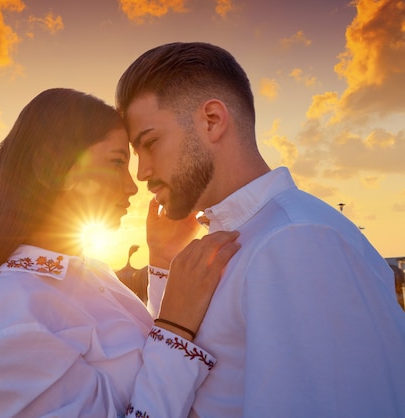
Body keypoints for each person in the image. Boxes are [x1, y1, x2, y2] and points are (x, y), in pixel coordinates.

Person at [115, 41, 405, 417]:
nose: (142, 173)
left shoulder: (295, 242)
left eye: (150, 143)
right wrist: (164, 262)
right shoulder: (251, 239)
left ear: (213, 121)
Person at [0, 88, 241, 418]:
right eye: (116, 162)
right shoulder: (19, 313)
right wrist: (176, 327)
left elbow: (144, 368)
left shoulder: (90, 274)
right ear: (54, 168)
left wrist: (163, 261)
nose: (131, 186)